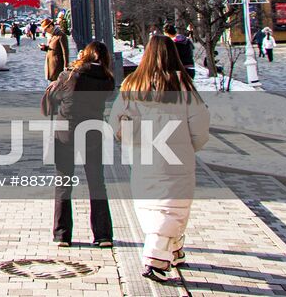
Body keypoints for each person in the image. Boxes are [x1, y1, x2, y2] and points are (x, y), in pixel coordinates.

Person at [113, 34, 210, 283]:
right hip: (177, 158)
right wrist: (189, 146)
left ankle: (174, 250)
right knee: (172, 208)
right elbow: (200, 127)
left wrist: (133, 138)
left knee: (154, 205)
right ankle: (155, 258)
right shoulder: (183, 86)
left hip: (144, 156)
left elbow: (116, 122)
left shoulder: (132, 84)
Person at [46, 40, 116, 248]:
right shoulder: (107, 79)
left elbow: (56, 96)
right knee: (97, 183)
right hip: (92, 131)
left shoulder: (69, 76)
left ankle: (62, 235)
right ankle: (103, 235)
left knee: (63, 183)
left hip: (66, 132)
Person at [41, 18, 69, 83]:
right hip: (50, 66)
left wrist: (65, 66)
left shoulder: (61, 35)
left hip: (57, 67)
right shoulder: (51, 35)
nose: (45, 31)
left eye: (46, 29)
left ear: (51, 26)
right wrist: (45, 48)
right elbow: (52, 48)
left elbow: (65, 52)